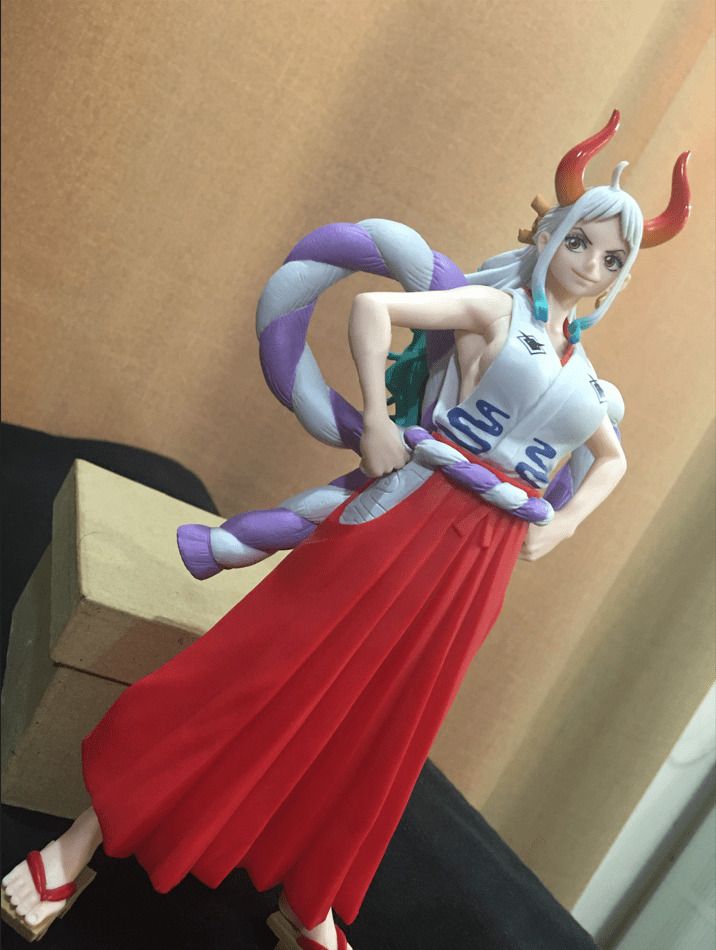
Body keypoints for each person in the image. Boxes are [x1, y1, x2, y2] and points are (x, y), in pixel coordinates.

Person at [1, 112, 690, 950]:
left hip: (482, 565)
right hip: (405, 517)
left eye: (611, 259)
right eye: (580, 241)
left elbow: (612, 459)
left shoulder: (589, 379)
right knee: (261, 668)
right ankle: (82, 839)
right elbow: (371, 307)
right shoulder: (494, 310)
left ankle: (314, 891)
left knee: (386, 731)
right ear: (549, 236)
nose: (590, 264)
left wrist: (566, 522)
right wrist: (377, 421)